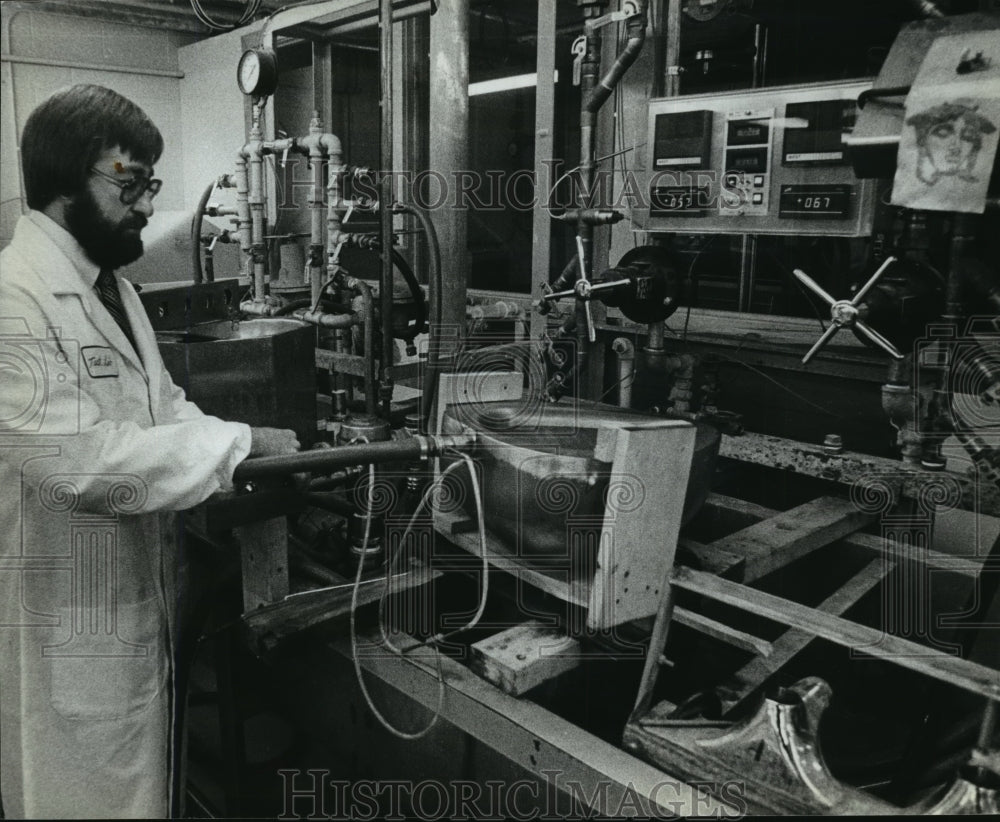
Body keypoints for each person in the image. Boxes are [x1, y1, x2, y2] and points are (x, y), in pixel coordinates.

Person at [0, 84, 300, 818]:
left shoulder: (117, 292)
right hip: (69, 618)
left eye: (149, 184)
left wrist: (244, 456)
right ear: (65, 181)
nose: (144, 204)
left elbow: (166, 409)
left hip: (134, 602)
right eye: (128, 182)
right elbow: (80, 465)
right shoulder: (13, 298)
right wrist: (236, 446)